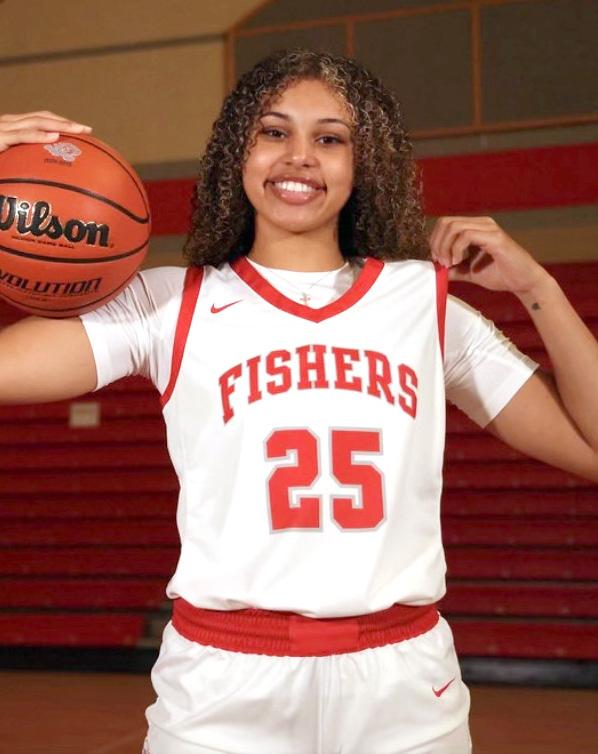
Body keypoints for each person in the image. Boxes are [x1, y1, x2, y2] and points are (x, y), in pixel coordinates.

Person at [1, 48, 597, 754]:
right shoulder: (167, 305)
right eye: (274, 131)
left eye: (330, 138)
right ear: (239, 152)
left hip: (402, 682)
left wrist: (538, 288)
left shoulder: (425, 304)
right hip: (222, 679)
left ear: (361, 164)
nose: (300, 157)